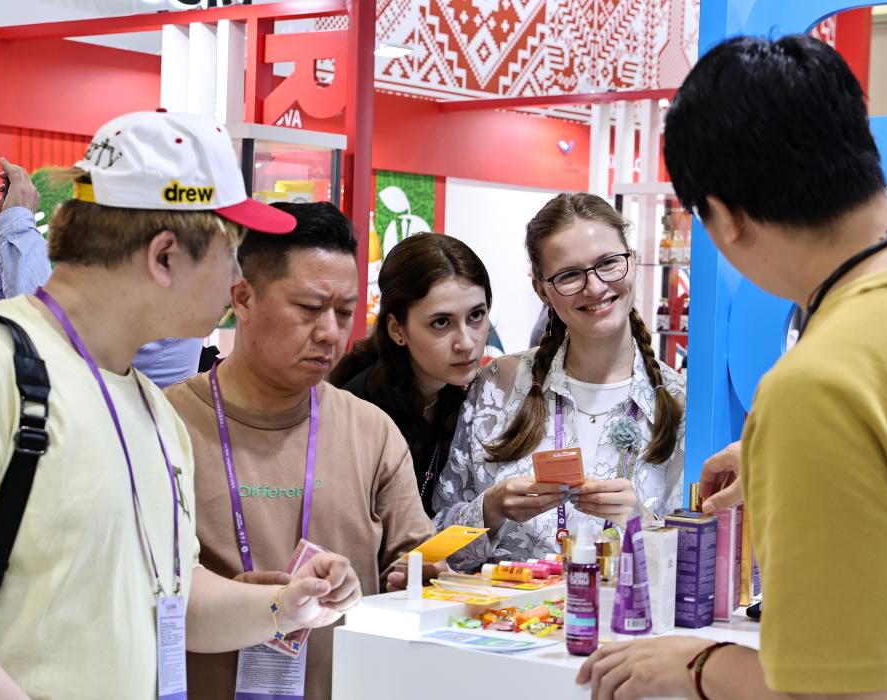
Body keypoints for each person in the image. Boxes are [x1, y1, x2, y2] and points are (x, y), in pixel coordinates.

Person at [577, 35, 887, 700]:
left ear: (726, 218)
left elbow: (849, 694)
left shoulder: (820, 387)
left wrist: (700, 665)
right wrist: (808, 456)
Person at [0, 111, 361, 700]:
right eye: (232, 252)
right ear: (165, 256)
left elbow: (173, 602)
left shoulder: (156, 411)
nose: (237, 278)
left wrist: (285, 606)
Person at [165, 201, 434, 700]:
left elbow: (416, 566)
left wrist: (418, 580)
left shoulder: (371, 432)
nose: (331, 332)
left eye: (345, 312)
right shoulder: (166, 424)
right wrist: (245, 602)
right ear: (243, 298)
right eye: (309, 308)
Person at [434, 192, 686, 570]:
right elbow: (434, 548)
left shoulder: (680, 405)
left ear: (632, 261)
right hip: (504, 609)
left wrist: (642, 523)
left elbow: (703, 569)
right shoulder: (497, 387)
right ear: (542, 289)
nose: (595, 287)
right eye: (569, 275)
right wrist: (491, 509)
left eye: (608, 263)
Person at [0, 158, 206, 388]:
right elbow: (11, 308)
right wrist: (3, 226)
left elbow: (48, 325)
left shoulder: (161, 286)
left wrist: (16, 222)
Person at [330, 233, 493, 516]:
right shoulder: (359, 413)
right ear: (397, 329)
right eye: (441, 323)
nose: (466, 343)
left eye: (476, 316)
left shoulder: (468, 395)